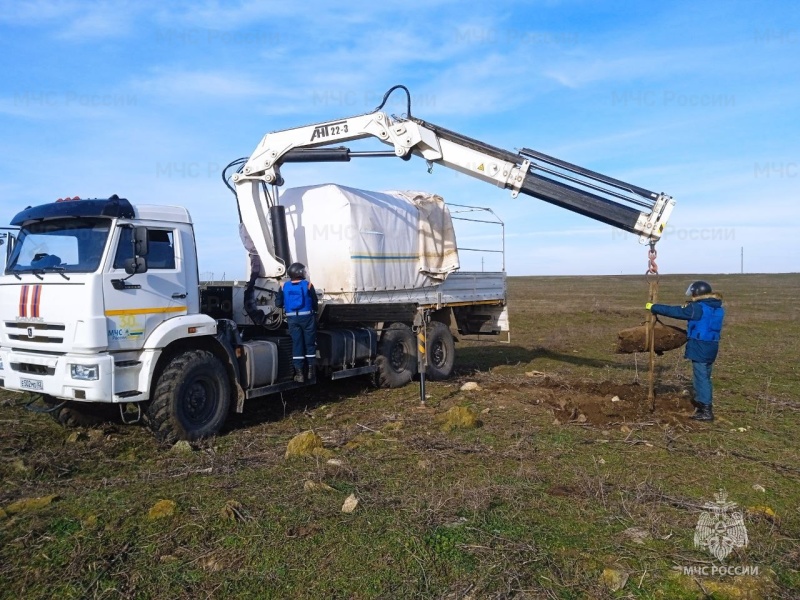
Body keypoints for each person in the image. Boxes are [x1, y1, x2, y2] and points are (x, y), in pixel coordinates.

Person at [646, 280, 724, 422]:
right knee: (705, 375)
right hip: (712, 344)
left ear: (697, 293)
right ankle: (703, 405)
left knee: (701, 378)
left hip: (701, 345)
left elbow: (677, 311)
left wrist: (654, 307)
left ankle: (706, 411)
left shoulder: (698, 308)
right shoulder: (716, 307)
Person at [276, 262, 318, 383]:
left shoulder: (284, 286)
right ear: (300, 273)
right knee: (309, 344)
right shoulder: (308, 285)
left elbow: (278, 304)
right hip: (307, 318)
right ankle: (310, 371)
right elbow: (315, 303)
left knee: (297, 344)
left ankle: (299, 374)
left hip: (292, 319)